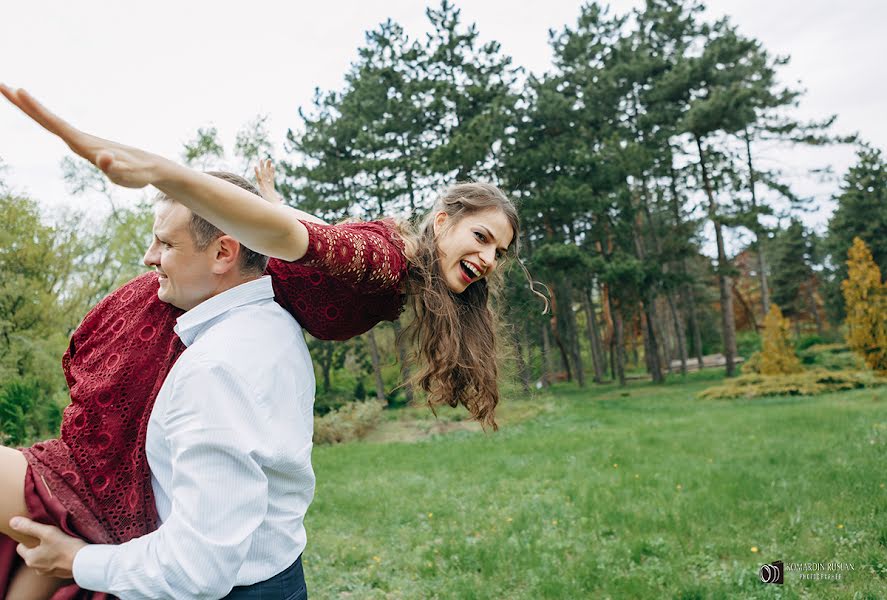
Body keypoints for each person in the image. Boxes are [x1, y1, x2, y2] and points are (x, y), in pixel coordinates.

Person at [0, 86, 544, 598]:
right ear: (444, 220)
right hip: (187, 316)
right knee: (59, 509)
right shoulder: (387, 262)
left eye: (500, 251)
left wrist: (272, 200)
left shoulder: (392, 267)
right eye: (482, 237)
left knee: (55, 520)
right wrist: (168, 173)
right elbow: (295, 238)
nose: (489, 259)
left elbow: (307, 232)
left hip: (218, 315)